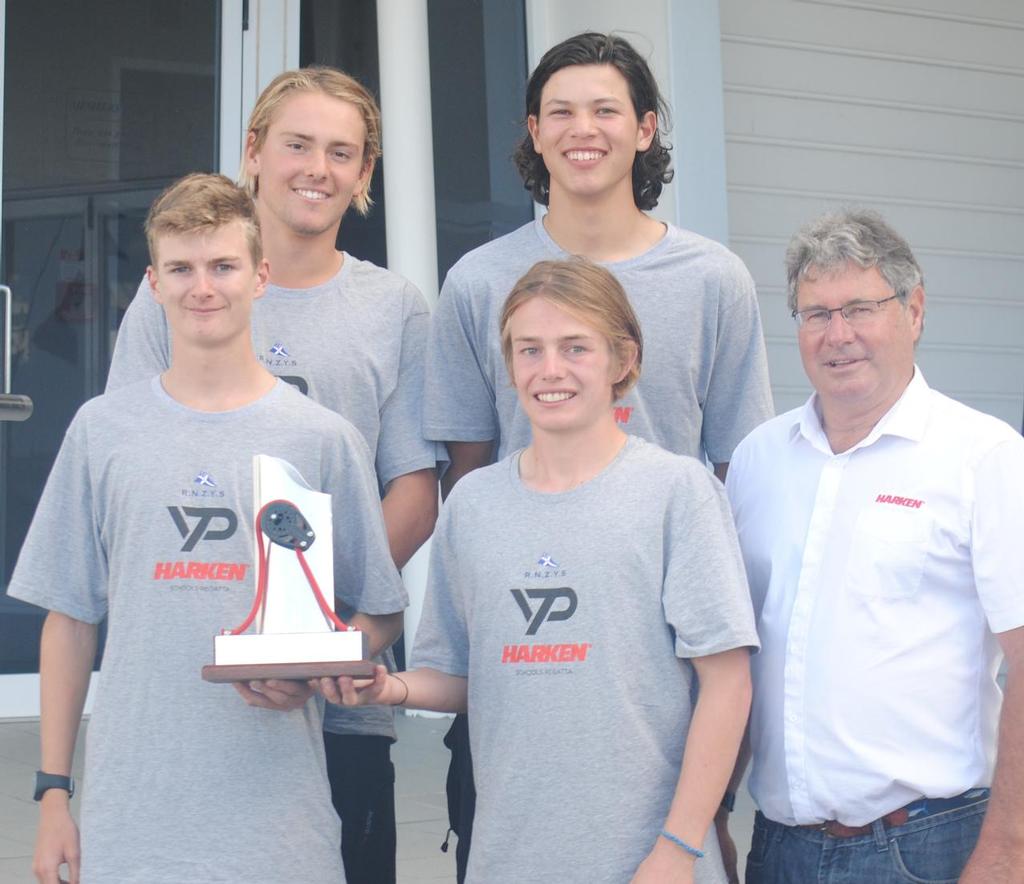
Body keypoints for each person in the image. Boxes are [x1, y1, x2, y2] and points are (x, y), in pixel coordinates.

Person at [422, 32, 773, 876]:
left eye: (607, 109)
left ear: (646, 128)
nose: (585, 129)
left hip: (657, 675)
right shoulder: (478, 281)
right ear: (534, 133)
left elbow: (738, 472)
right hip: (527, 667)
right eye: (562, 112)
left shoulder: (713, 278)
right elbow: (468, 473)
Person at [12, 173, 408, 884]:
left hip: (280, 828)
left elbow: (378, 609)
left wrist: (316, 668)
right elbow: (68, 620)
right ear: (153, 283)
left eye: (223, 266)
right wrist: (52, 795)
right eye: (182, 269)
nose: (203, 288)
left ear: (259, 277)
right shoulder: (102, 433)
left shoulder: (321, 438)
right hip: (132, 821)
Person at [323, 258, 759, 883]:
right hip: (509, 861)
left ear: (623, 359)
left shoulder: (677, 493)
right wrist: (392, 688)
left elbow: (728, 685)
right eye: (529, 349)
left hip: (650, 866)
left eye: (575, 347)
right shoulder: (473, 505)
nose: (549, 370)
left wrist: (678, 848)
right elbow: (470, 677)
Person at [106, 68, 439, 883]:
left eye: (342, 152)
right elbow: (131, 474)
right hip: (190, 693)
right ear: (254, 152)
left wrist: (315, 637)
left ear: (364, 175)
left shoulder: (393, 307)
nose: (316, 168)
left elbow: (414, 491)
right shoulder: (174, 298)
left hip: (336, 699)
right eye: (296, 144)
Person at [721, 209, 1024, 883]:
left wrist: (1008, 848)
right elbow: (734, 657)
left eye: (860, 308)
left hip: (929, 848)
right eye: (814, 314)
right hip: (783, 848)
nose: (838, 335)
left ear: (914, 310)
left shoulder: (983, 456)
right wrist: (714, 811)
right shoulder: (757, 462)